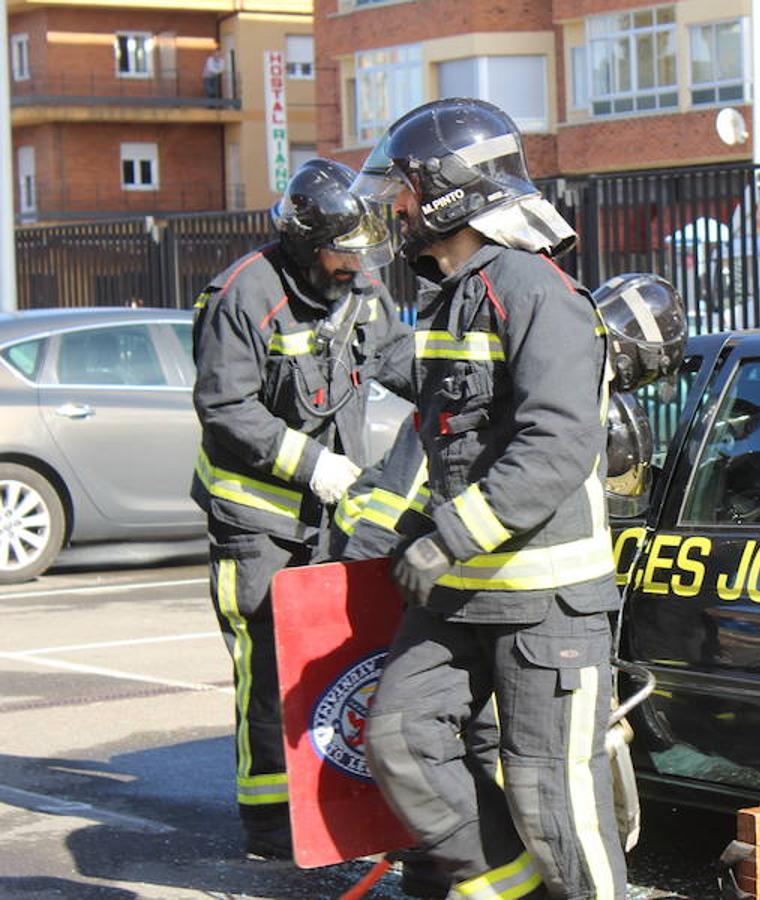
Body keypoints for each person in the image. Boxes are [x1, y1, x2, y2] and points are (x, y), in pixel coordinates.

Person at [352, 98, 627, 900]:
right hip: (461, 596)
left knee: (557, 804)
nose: (396, 205)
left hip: (545, 605)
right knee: (401, 739)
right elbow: (456, 406)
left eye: (404, 187)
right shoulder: (455, 290)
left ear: (450, 188)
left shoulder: (536, 291)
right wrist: (371, 341)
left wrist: (450, 537)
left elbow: (555, 443)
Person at [191, 158, 414, 861]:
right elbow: (225, 407)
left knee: (328, 664)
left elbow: (399, 356)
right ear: (301, 243)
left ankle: (330, 807)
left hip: (330, 517)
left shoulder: (359, 289)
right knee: (265, 661)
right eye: (341, 252)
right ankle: (268, 821)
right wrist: (311, 464)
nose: (354, 265)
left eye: (361, 252)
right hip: (253, 520)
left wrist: (467, 383)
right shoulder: (244, 295)